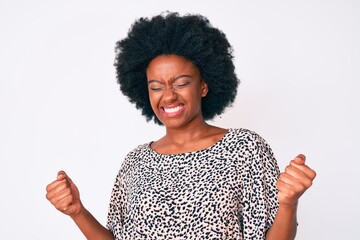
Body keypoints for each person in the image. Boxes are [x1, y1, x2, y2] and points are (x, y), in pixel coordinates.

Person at [46, 12, 316, 240]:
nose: (169, 95)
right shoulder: (136, 161)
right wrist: (77, 212)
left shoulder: (244, 148)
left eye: (182, 82)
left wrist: (289, 202)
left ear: (204, 85)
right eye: (156, 87)